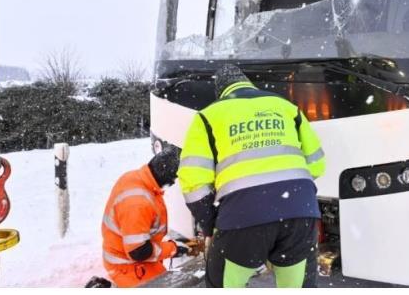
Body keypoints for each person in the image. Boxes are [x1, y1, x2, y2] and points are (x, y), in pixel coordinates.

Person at [177, 64, 327, 288]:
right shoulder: (286, 106)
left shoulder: (207, 116)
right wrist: (286, 195)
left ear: (220, 92)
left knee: (223, 284)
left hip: (242, 216)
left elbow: (193, 183)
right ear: (247, 83)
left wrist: (210, 225)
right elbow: (317, 164)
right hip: (301, 212)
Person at [100, 147, 192, 287]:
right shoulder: (138, 203)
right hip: (127, 264)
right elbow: (138, 251)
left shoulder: (136, 178)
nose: (174, 183)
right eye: (173, 179)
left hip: (129, 254)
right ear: (165, 177)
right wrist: (173, 249)